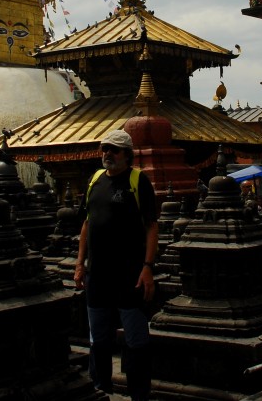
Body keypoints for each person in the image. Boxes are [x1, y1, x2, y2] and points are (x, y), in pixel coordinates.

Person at [74, 130, 159, 401]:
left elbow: (151, 226)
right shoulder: (95, 180)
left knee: (135, 339)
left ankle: (139, 394)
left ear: (127, 155)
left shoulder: (138, 181)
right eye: (104, 149)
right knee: (98, 339)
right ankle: (101, 389)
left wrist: (148, 266)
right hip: (98, 274)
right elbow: (87, 223)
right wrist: (80, 263)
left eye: (114, 149)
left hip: (130, 274)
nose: (107, 153)